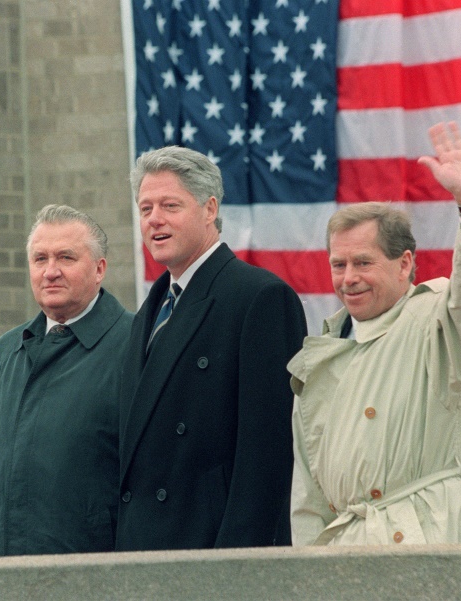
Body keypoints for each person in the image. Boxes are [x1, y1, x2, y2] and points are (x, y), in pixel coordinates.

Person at [289, 122, 461, 546]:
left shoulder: (439, 321)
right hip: (350, 556)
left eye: (363, 262)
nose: (349, 278)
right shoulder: (319, 359)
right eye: (338, 265)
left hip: (439, 538)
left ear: (405, 264)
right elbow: (309, 498)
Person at [117, 146, 308, 550]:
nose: (155, 219)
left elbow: (267, 457)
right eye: (145, 208)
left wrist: (235, 569)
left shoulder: (260, 298)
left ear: (209, 209)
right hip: (140, 553)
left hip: (210, 555)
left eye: (170, 205)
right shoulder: (148, 314)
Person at [0, 204, 134, 556]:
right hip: (3, 584)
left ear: (100, 269)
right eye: (40, 259)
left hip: (97, 582)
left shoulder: (137, 348)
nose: (50, 272)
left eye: (66, 258)